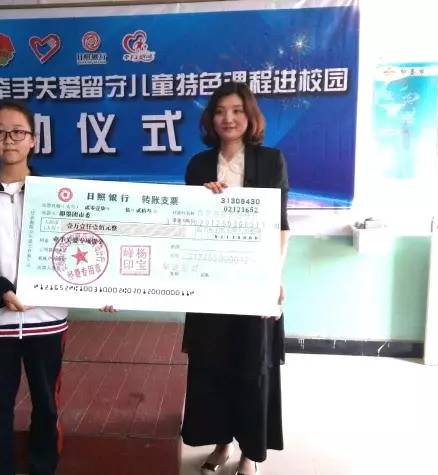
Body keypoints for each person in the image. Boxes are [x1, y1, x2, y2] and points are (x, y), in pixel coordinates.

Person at [0, 100, 115, 475]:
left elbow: (84, 246)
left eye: (17, 132)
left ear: (33, 140)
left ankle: (43, 467)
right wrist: (0, 291)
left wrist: (104, 290)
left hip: (47, 318)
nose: (8, 139)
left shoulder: (57, 195)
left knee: (46, 402)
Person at [181, 82, 290, 475]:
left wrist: (274, 278)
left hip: (253, 284)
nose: (228, 118)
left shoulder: (271, 160)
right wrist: (203, 200)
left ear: (250, 116)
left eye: (237, 110)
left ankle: (250, 453)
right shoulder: (198, 165)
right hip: (209, 284)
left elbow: (281, 226)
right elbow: (185, 224)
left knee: (252, 366)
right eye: (220, 111)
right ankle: (221, 443)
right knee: (213, 364)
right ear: (210, 119)